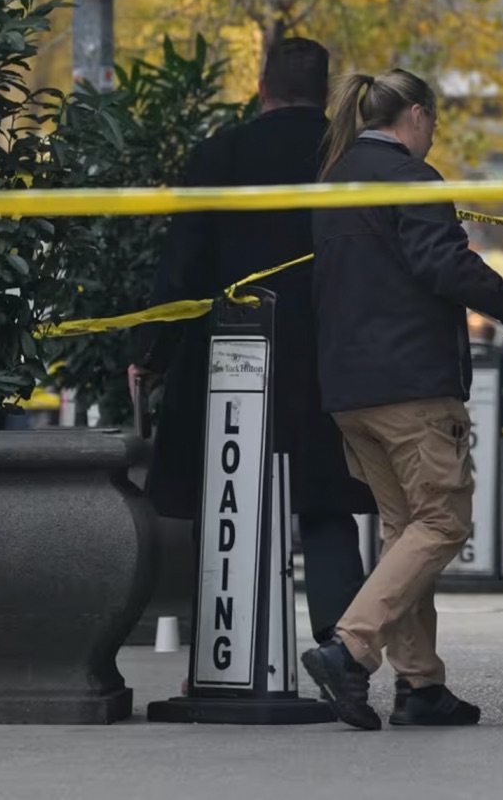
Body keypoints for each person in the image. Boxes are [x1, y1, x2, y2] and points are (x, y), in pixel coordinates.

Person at [300, 69, 503, 731]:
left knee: (403, 531)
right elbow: (444, 265)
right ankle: (350, 649)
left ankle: (421, 684)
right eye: (431, 123)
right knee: (442, 523)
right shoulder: (412, 179)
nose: (431, 136)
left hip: (349, 389)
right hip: (410, 384)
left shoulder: (336, 179)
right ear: (414, 115)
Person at [128, 36, 377, 650]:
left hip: (230, 358)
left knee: (227, 500)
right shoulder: (346, 157)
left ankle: (227, 647)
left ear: (260, 89)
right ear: (327, 94)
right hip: (327, 359)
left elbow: (182, 266)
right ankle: (339, 652)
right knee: (326, 510)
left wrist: (150, 352)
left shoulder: (219, 155)